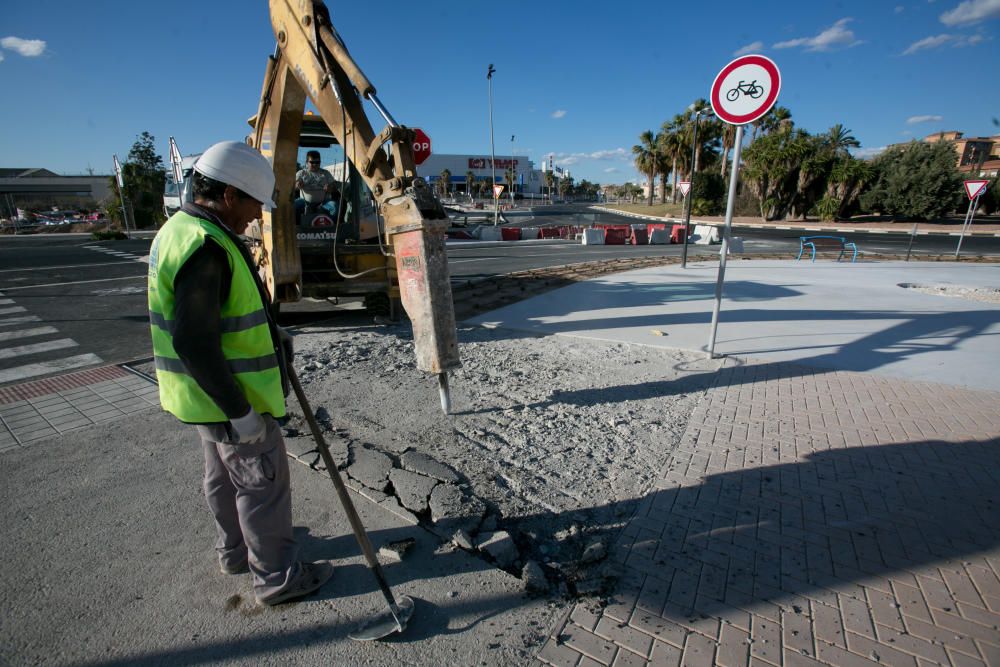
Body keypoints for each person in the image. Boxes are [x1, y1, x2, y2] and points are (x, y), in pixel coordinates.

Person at [147, 141, 333, 606]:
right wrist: (243, 412)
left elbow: (225, 317)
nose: (256, 214)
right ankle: (278, 577)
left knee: (222, 478)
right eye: (253, 203)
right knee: (261, 484)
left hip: (203, 398)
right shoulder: (207, 246)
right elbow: (193, 339)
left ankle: (235, 551)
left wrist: (274, 335)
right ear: (229, 194)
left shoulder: (182, 230)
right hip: (231, 398)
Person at [294, 150, 341, 222]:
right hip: (304, 201)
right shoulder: (301, 173)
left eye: (317, 162)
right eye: (312, 162)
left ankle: (332, 228)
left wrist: (330, 188)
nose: (315, 164)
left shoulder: (326, 173)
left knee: (334, 206)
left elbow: (334, 187)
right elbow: (293, 186)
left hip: (324, 202)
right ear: (307, 162)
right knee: (294, 206)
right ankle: (297, 227)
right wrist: (297, 185)